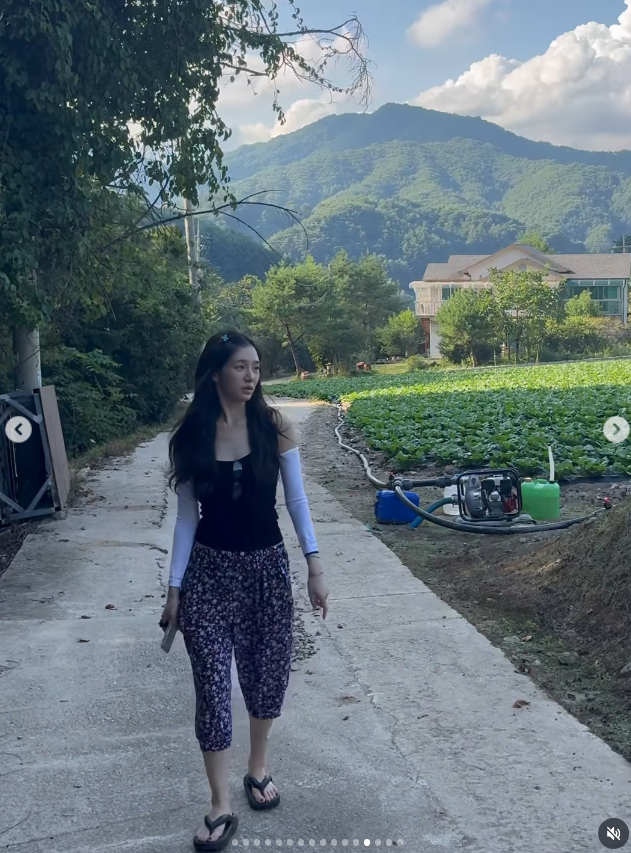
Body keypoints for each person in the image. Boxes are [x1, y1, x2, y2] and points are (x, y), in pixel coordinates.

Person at [162, 331, 329, 852]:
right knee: (212, 689)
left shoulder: (274, 426)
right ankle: (219, 803)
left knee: (266, 677)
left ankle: (257, 768)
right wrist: (174, 589)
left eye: (256, 366)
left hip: (266, 572)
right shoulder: (191, 436)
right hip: (208, 577)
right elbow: (186, 518)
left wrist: (314, 565)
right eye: (240, 367)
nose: (251, 376)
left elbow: (296, 501)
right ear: (215, 373)